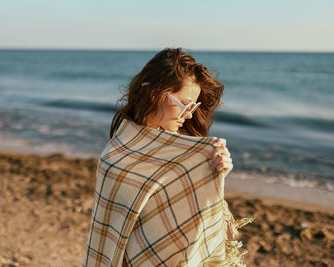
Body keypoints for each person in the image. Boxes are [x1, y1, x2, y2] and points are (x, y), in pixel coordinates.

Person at [82, 47, 252, 267]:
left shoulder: (186, 151)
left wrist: (215, 173)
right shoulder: (115, 158)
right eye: (184, 104)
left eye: (194, 105)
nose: (189, 114)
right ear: (155, 94)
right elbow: (108, 238)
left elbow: (201, 221)